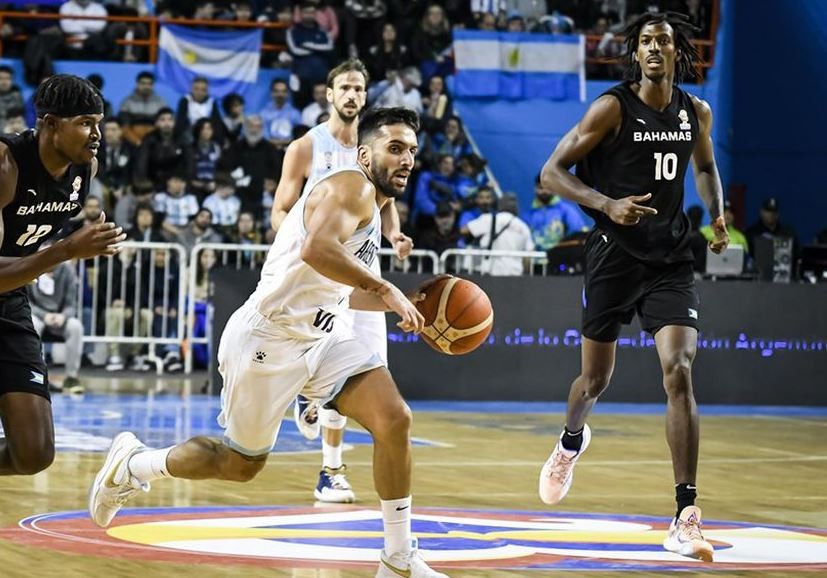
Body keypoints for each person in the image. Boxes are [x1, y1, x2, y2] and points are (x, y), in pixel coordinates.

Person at [89, 107, 449, 578]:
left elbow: (340, 289)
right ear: (364, 154)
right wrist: (385, 288)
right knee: (240, 464)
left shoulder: (372, 205)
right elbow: (316, 250)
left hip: (322, 336)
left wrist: (405, 302)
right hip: (269, 338)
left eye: (412, 151)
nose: (406, 160)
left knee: (394, 419)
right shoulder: (352, 187)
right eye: (395, 148)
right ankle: (136, 465)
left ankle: (398, 558)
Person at [536, 13, 729, 562]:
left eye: (663, 41)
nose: (654, 48)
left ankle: (685, 515)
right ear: (636, 52)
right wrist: (606, 203)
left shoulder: (696, 112)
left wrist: (717, 214)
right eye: (646, 41)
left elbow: (705, 167)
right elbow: (551, 173)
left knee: (679, 370)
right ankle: (570, 442)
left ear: (677, 51)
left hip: (669, 259)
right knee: (594, 380)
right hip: (613, 256)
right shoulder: (612, 108)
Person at [271, 59, 414, 504]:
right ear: (329, 94)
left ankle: (330, 471)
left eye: (359, 88)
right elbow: (281, 209)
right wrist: (299, 243)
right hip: (318, 274)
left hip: (363, 274)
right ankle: (307, 393)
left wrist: (394, 235)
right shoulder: (305, 147)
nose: (352, 95)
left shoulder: (379, 147)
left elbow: (384, 201)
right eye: (345, 88)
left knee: (367, 368)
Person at [0, 74, 125, 476]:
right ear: (51, 124)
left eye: (99, 123)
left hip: (10, 300)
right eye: (86, 123)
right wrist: (66, 250)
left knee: (34, 453)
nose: (97, 135)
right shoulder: (6, 165)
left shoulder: (85, 169)